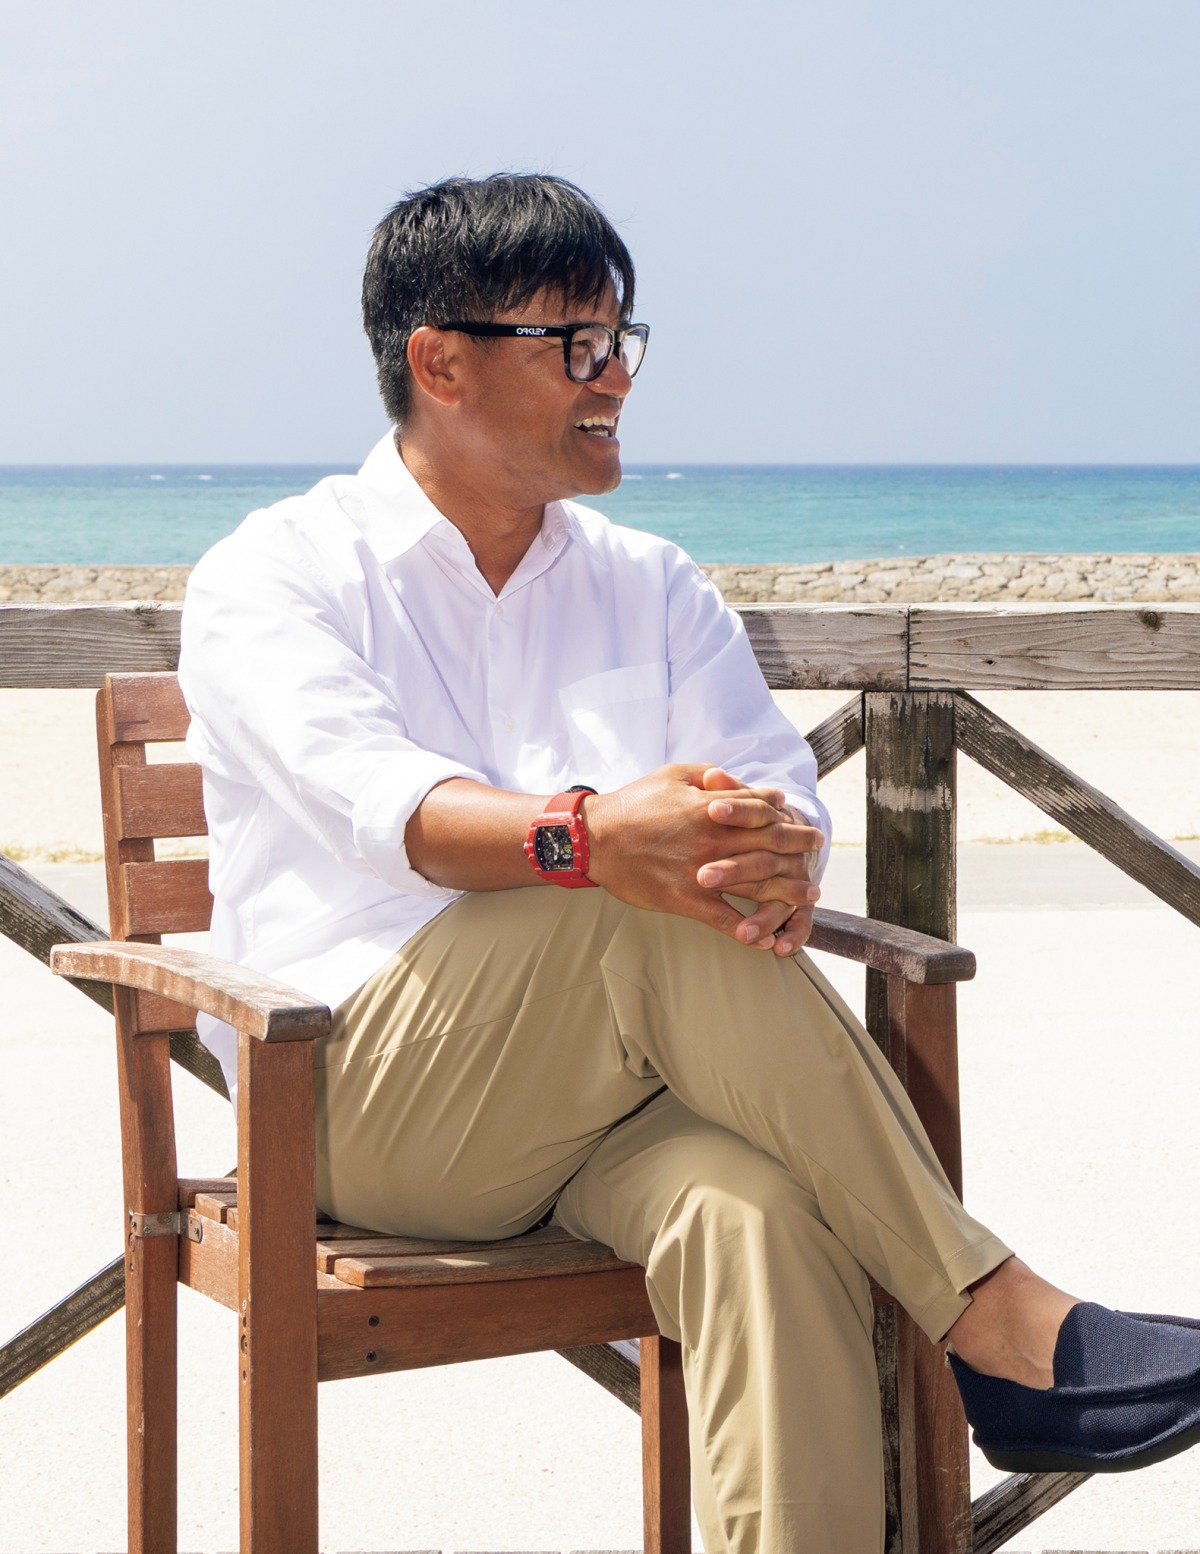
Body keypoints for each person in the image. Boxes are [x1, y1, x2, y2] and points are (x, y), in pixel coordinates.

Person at [179, 173, 1200, 1553]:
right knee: (631, 896)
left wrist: (770, 854)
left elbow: (772, 786)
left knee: (760, 1216)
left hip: (615, 1098)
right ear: (440, 363)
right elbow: (389, 808)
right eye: (575, 344)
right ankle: (996, 1319)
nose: (616, 377)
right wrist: (599, 838)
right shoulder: (279, 573)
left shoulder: (651, 580)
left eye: (623, 341)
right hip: (348, 1097)